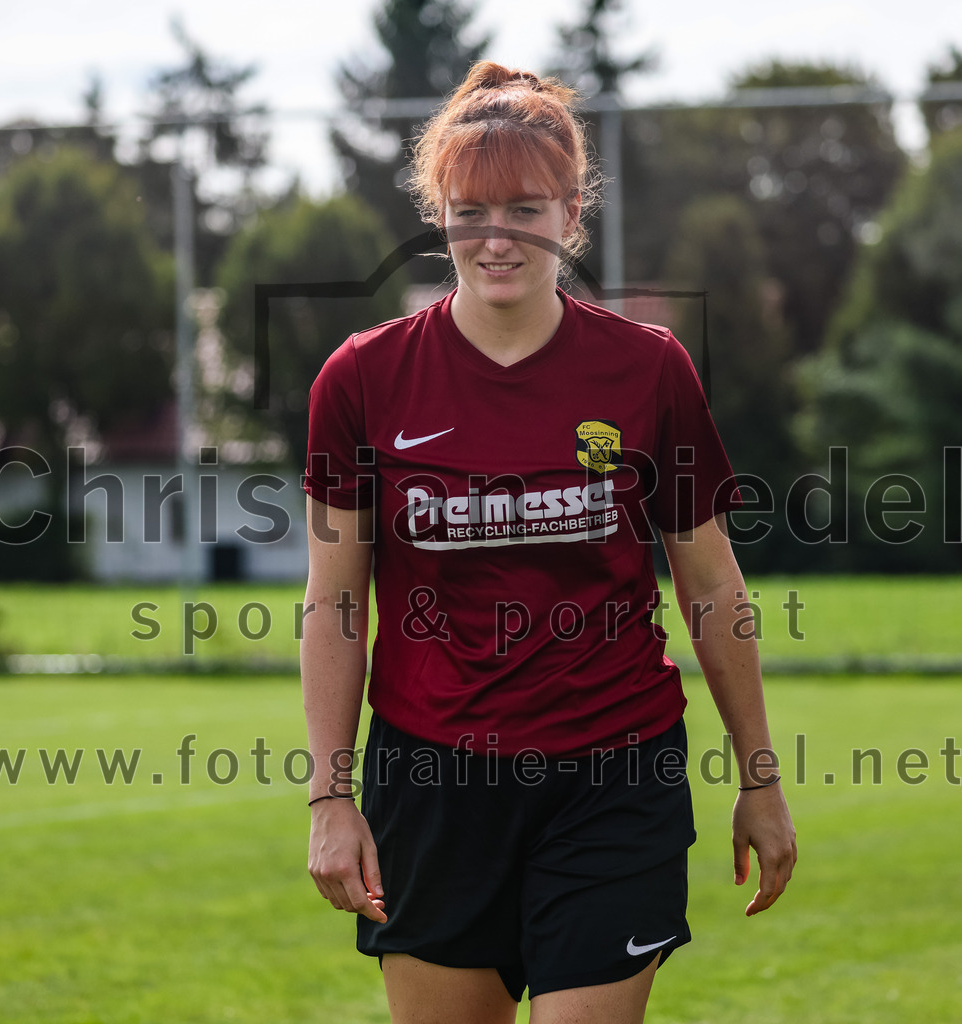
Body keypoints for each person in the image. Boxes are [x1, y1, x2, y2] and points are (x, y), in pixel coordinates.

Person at [301, 60, 796, 1024]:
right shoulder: (362, 379)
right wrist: (330, 799)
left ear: (570, 215)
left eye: (525, 210)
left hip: (616, 773)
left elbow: (710, 585)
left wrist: (759, 778)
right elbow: (335, 601)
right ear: (437, 216)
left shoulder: (647, 369)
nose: (498, 238)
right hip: (434, 780)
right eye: (470, 212)